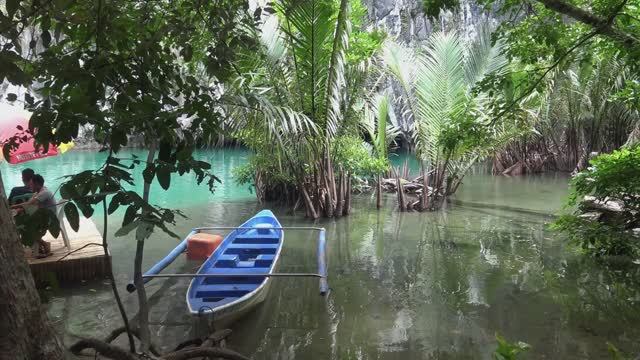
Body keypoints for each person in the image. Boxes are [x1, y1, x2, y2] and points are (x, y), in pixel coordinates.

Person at [11, 174, 56, 258]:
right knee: (24, 224)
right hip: (43, 217)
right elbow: (30, 206)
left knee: (26, 226)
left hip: (49, 219)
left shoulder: (44, 193)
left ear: (37, 184)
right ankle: (44, 245)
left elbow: (29, 204)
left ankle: (39, 250)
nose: (30, 186)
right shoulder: (39, 192)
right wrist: (19, 209)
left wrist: (12, 207)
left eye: (32, 184)